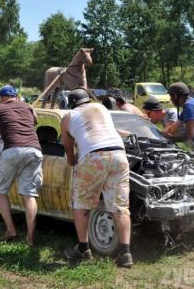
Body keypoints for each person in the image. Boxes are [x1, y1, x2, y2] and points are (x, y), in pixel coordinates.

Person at [60, 88, 133, 268]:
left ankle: (83, 249)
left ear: (71, 103)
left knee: (81, 203)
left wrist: (72, 161)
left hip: (94, 156)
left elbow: (68, 147)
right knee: (120, 206)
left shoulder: (68, 117)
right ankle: (125, 254)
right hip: (118, 154)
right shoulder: (101, 108)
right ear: (87, 99)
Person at [0, 85, 43, 246]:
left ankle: (11, 231)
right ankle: (31, 237)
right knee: (29, 195)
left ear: (1, 98)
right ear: (16, 96)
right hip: (35, 150)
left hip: (13, 150)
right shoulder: (27, 106)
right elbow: (35, 121)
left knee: (0, 191)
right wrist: (25, 106)